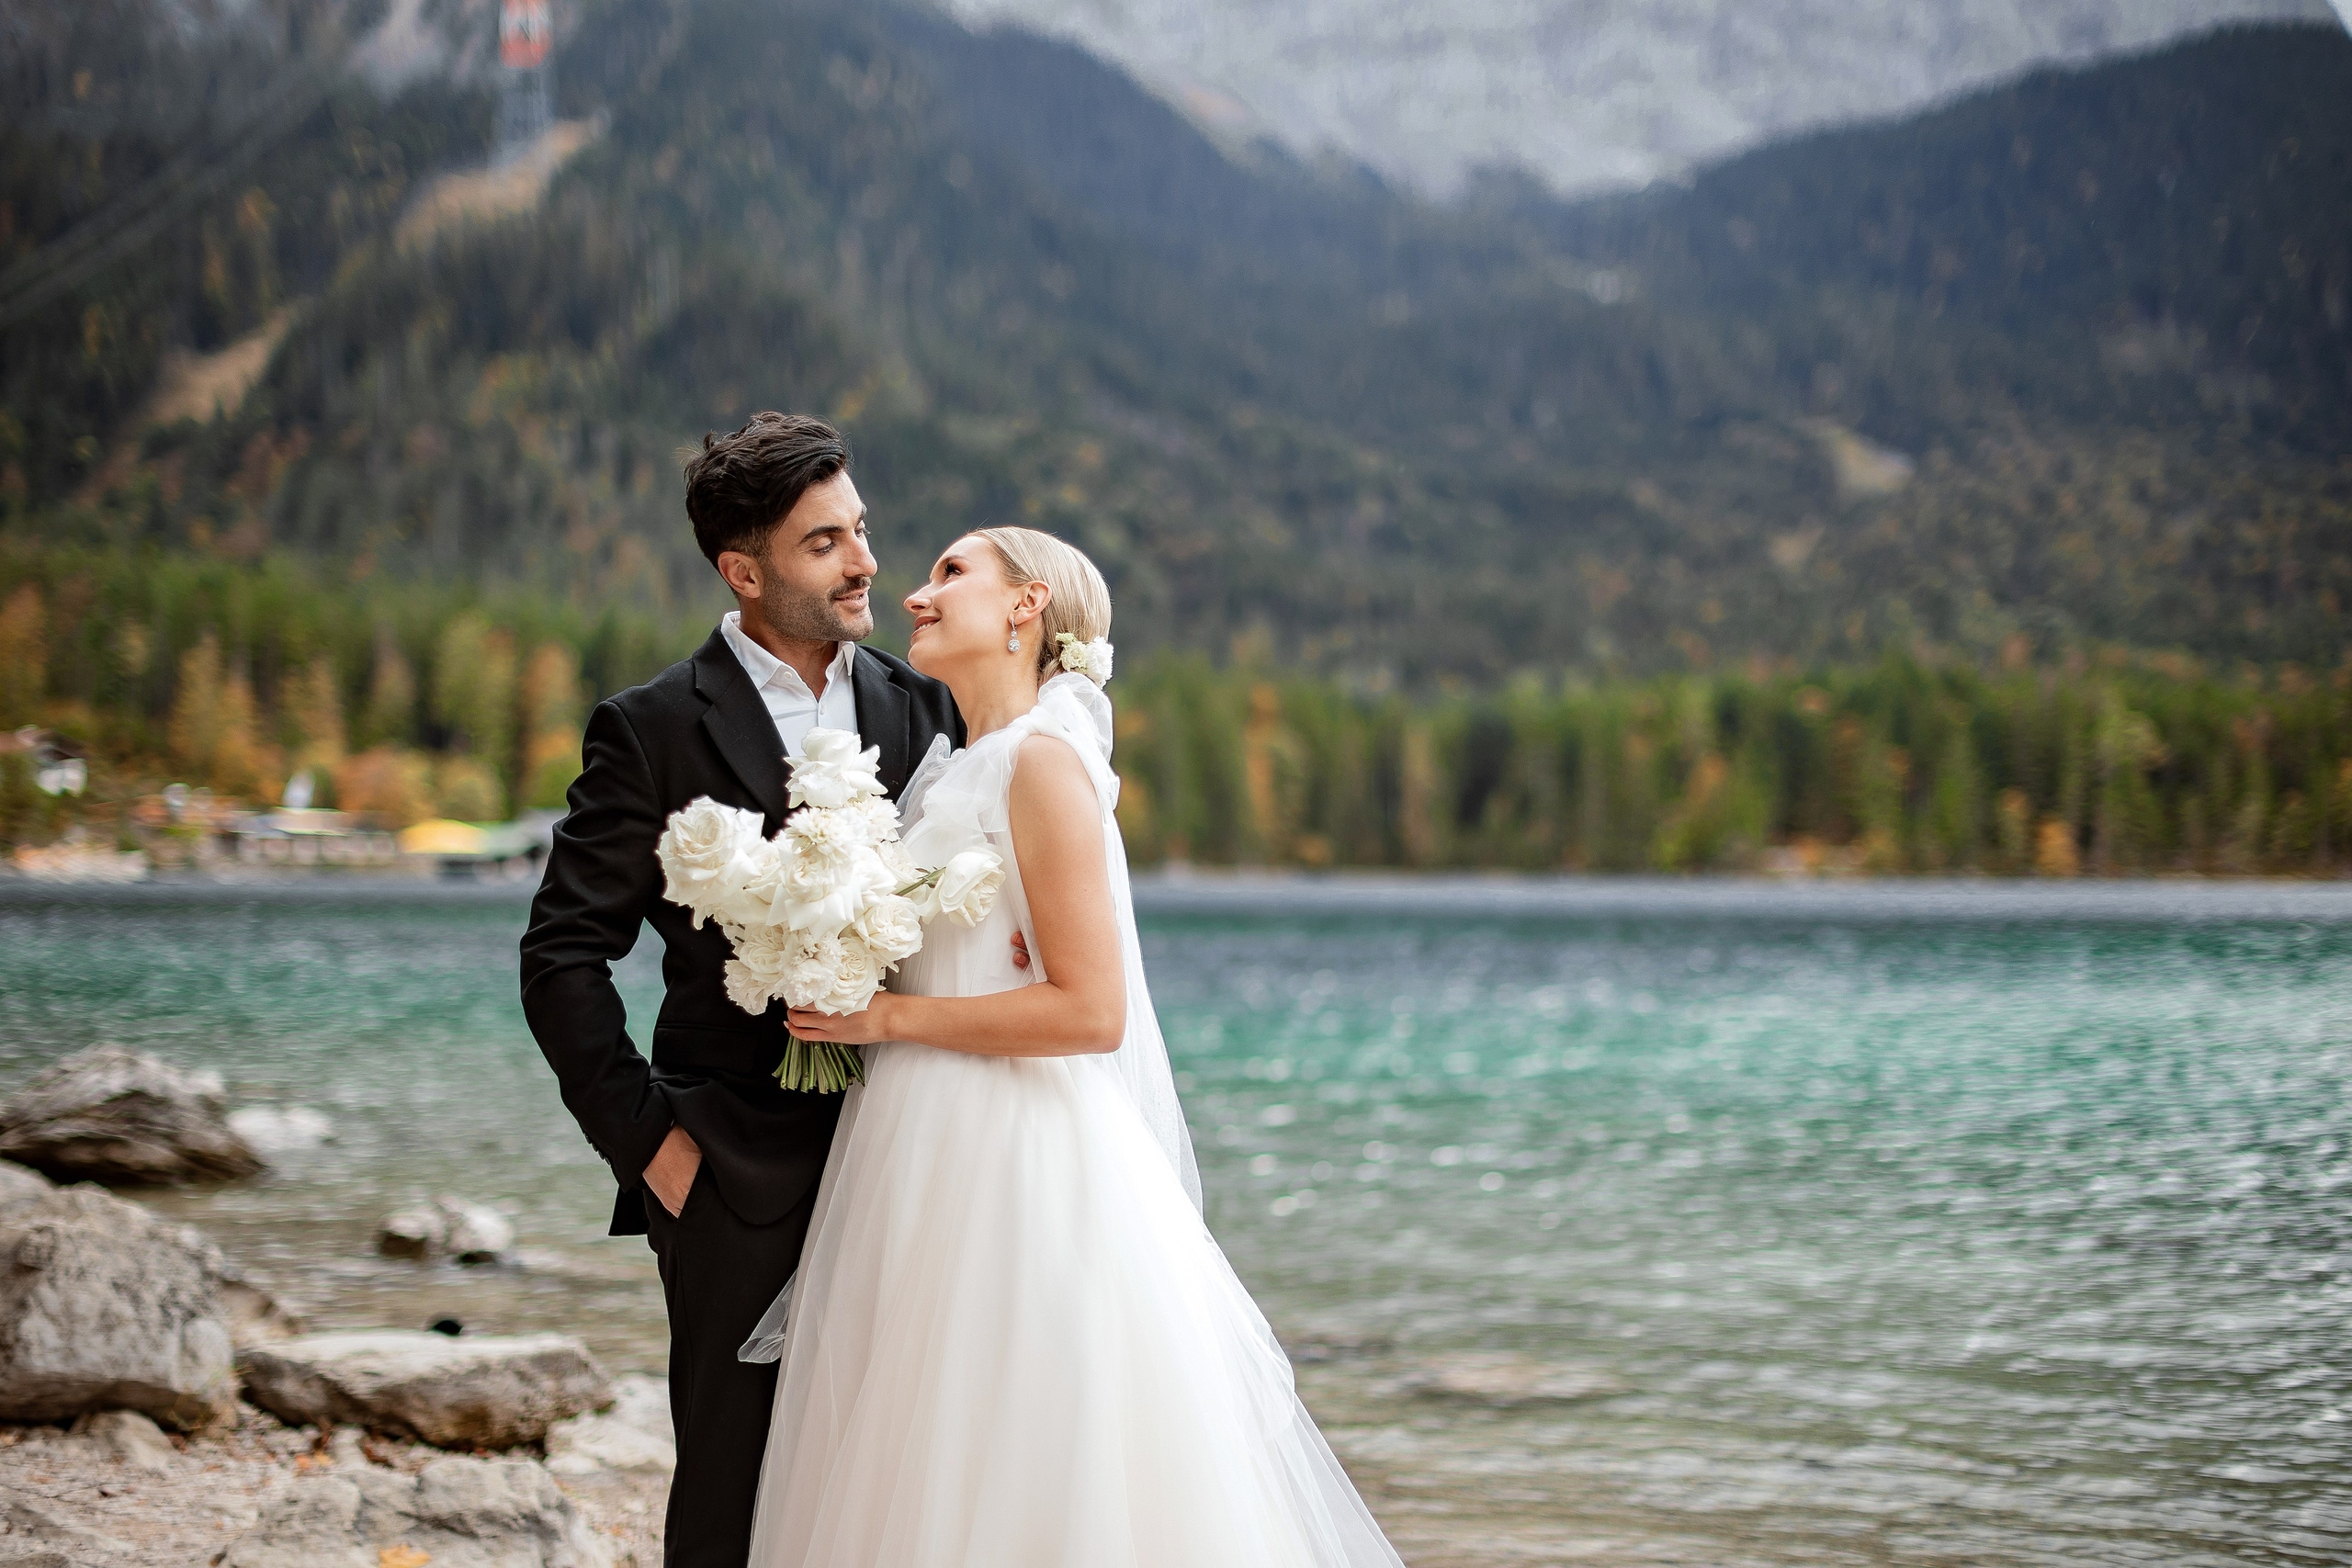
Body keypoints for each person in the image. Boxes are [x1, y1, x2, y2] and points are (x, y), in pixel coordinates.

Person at [743, 526, 1407, 1566]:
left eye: (951, 574)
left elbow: (1089, 1014)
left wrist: (887, 1021)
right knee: (914, 1448)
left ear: (1027, 606)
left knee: (1019, 1450)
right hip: (910, 1145)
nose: (916, 596)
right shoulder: (953, 772)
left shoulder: (1043, 767)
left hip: (1013, 1155)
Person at [519, 412, 969, 1566]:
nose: (867, 560)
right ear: (745, 570)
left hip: (907, 1146)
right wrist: (654, 1149)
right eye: (827, 543)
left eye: (861, 529)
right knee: (733, 1478)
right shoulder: (653, 726)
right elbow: (562, 955)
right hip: (729, 1165)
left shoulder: (920, 710)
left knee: (890, 1468)